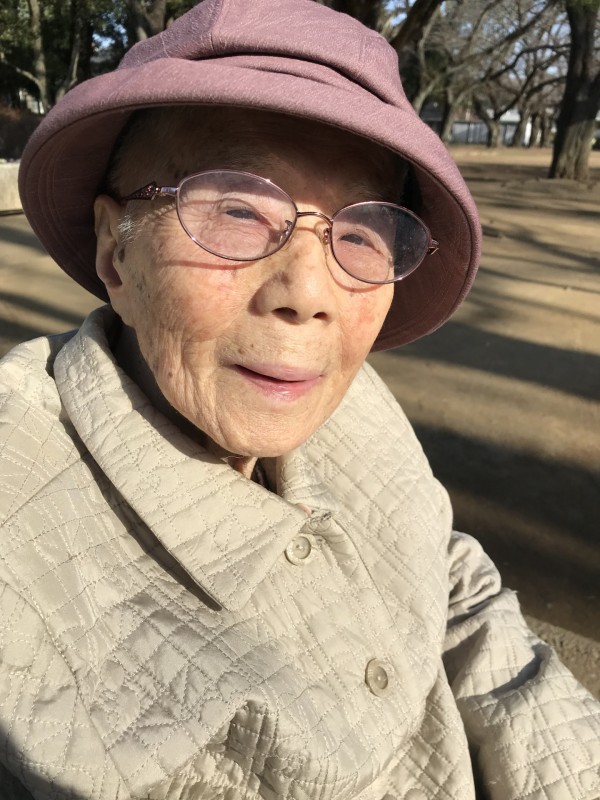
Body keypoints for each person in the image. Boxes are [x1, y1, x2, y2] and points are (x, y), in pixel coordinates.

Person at [1, 0, 599, 798]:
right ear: (118, 253)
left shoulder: (341, 397)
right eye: (236, 210)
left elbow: (446, 568)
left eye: (361, 230)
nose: (310, 294)